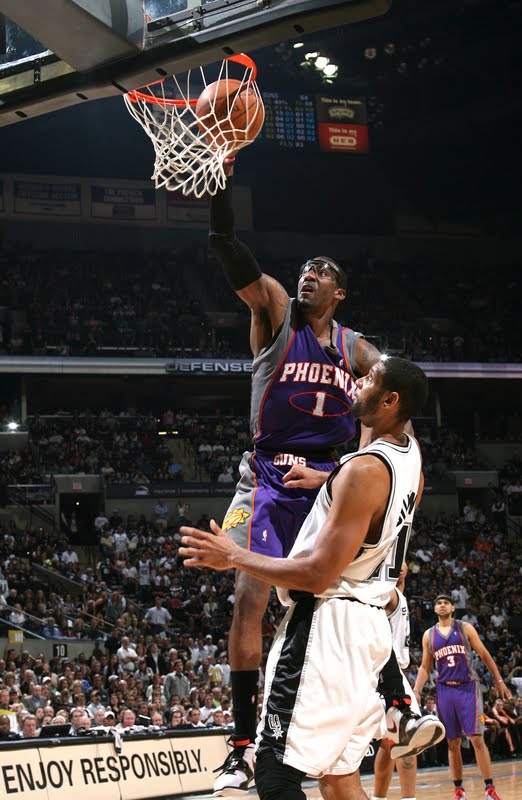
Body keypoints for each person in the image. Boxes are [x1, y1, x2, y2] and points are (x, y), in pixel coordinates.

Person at [207, 158, 386, 794]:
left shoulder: (355, 348)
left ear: (340, 295)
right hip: (261, 477)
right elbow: (230, 253)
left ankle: (382, 706)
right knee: (248, 595)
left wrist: (357, 469)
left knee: (355, 589)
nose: (309, 279)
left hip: (325, 483)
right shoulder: (277, 311)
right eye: (307, 272)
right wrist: (220, 178)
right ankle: (240, 745)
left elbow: (396, 388)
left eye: (323, 276)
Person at [181, 356, 428, 800]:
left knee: (275, 774)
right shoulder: (412, 462)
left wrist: (236, 555)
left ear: (391, 401)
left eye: (369, 378)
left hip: (326, 629)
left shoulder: (363, 472)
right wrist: (325, 476)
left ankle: (401, 705)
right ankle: (401, 704)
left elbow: (316, 575)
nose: (358, 379)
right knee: (339, 779)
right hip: (370, 631)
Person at [413, 594, 512, 800]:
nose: (442, 605)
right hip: (444, 690)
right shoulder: (428, 636)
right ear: (434, 609)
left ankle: (489, 788)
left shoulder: (465, 628)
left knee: (477, 737)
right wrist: (416, 690)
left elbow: (484, 654)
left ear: (452, 608)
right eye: (438, 603)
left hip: (467, 687)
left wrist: (499, 680)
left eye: (446, 603)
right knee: (452, 742)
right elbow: (424, 666)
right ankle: (459, 790)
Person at [371, 565, 445, 800]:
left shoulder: (398, 596)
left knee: (388, 743)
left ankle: (379, 797)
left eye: (404, 563)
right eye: (396, 563)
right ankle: (408, 797)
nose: (401, 567)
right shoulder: (383, 592)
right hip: (384, 674)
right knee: (408, 741)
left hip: (389, 673)